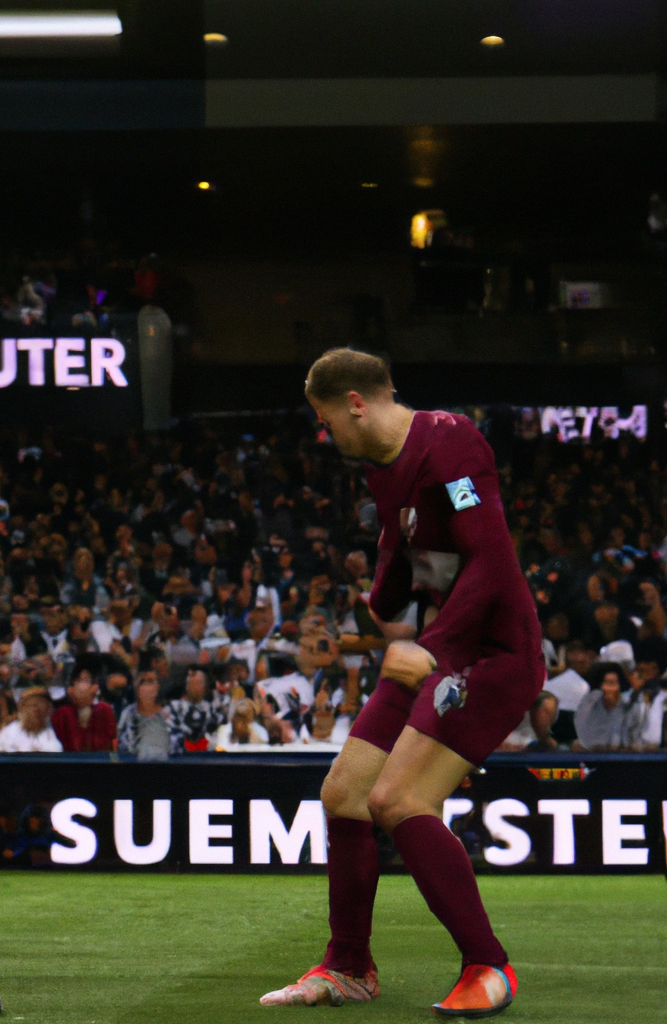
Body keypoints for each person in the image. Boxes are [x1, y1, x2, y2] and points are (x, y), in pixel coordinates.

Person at [261, 348, 544, 1018]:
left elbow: (492, 561)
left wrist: (430, 647)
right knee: (345, 794)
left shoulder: (453, 444)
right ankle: (349, 968)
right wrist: (381, 593)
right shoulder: (382, 467)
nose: (325, 432)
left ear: (356, 403)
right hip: (435, 650)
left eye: (326, 419)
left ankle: (488, 965)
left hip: (493, 654)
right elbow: (402, 551)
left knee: (399, 798)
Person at [50, 658, 117, 752]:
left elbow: (109, 745)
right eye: (82, 680)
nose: (87, 687)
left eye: (87, 681)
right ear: (71, 689)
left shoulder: (104, 710)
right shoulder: (62, 714)